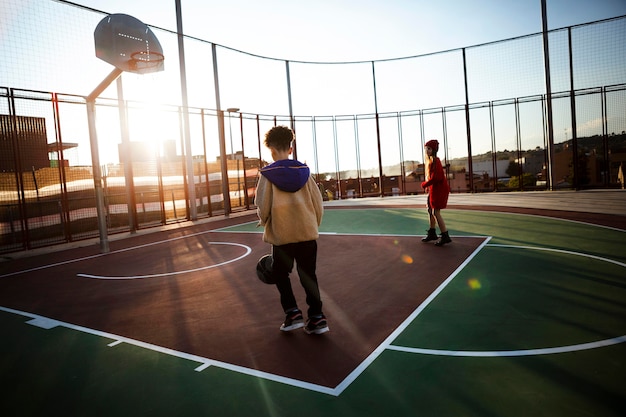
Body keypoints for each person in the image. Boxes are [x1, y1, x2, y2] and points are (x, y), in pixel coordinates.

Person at [255, 125, 329, 334]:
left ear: (271, 150)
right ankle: (317, 318)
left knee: (280, 274)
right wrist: (313, 224)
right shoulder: (304, 172)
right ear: (290, 148)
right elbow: (318, 204)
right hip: (306, 233)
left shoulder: (268, 175)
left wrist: (264, 221)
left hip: (283, 236)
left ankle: (292, 313)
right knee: (309, 276)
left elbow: (263, 205)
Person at [421, 139, 452, 246]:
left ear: (434, 149)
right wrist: (428, 186)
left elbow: (437, 178)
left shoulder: (436, 160)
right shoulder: (430, 161)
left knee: (435, 212)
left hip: (439, 189)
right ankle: (432, 233)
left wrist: (425, 184)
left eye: (429, 149)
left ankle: (445, 235)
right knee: (430, 209)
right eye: (426, 148)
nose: (427, 150)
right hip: (434, 189)